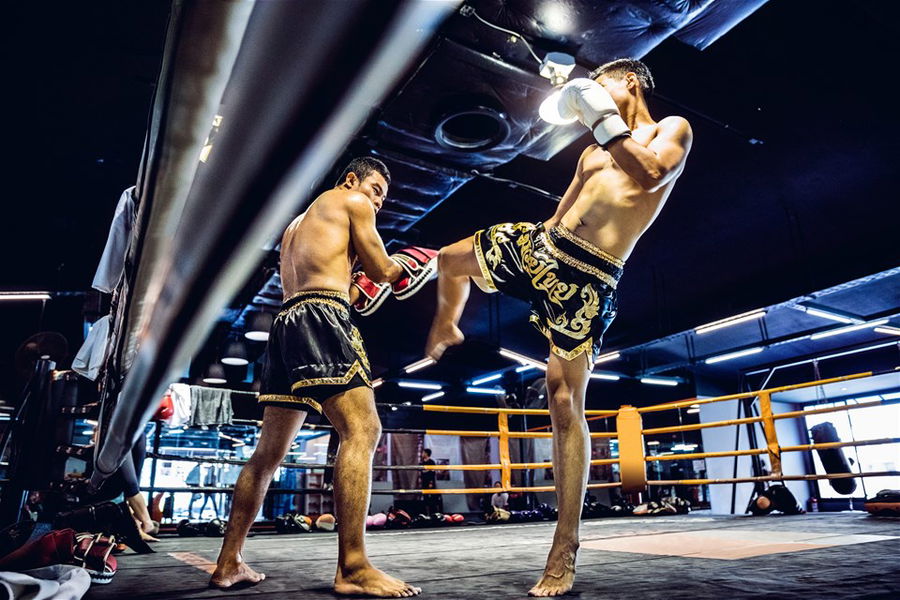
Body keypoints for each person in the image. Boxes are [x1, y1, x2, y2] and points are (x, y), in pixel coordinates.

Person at [425, 58, 692, 597]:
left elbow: (651, 173)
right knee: (450, 260)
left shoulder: (673, 130)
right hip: (547, 246)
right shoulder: (593, 150)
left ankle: (564, 546)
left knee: (563, 400)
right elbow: (560, 212)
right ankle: (447, 327)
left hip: (591, 274)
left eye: (602, 83)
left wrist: (596, 112)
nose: (592, 92)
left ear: (631, 82)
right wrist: (517, 263)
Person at [211, 157, 434, 597]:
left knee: (267, 455)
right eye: (375, 190)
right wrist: (416, 262)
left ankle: (228, 561)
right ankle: (353, 566)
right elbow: (383, 271)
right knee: (363, 430)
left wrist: (366, 284)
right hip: (322, 320)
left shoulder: (300, 224)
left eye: (382, 199)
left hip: (287, 323)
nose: (377, 202)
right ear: (352, 179)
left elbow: (346, 287)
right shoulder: (351, 200)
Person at [419, 448, 441, 515]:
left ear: (426, 453)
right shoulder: (422, 463)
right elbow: (421, 473)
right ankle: (427, 514)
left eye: (423, 453)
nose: (422, 454)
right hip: (424, 482)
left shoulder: (431, 462)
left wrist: (431, 482)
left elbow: (432, 473)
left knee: (433, 497)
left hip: (430, 482)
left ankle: (435, 513)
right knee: (425, 497)